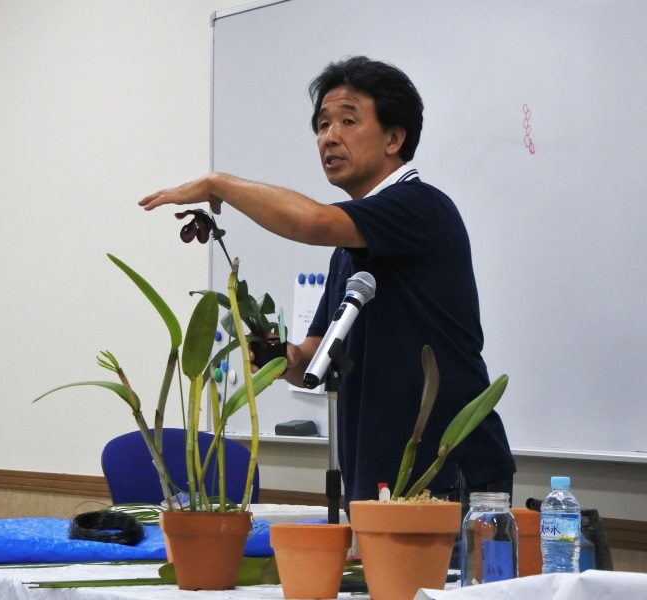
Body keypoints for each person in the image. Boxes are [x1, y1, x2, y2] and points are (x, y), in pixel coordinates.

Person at [139, 56, 516, 520]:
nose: (329, 137)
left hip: (443, 469)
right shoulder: (349, 248)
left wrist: (220, 183)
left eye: (347, 121)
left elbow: (311, 220)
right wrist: (288, 358)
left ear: (394, 138)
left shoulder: (420, 208)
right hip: (375, 475)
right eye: (322, 125)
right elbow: (317, 360)